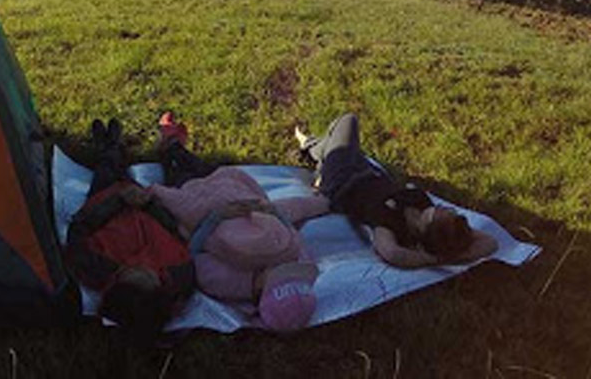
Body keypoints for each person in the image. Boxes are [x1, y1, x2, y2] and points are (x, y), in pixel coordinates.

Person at [148, 111, 329, 333]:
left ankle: (170, 144)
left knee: (179, 174)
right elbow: (288, 212)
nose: (283, 267)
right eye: (290, 270)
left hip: (199, 202)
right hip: (232, 188)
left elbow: (192, 254)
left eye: (280, 275)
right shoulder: (291, 252)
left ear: (259, 292)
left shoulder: (227, 281)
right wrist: (319, 204)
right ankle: (175, 145)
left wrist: (216, 217)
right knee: (197, 166)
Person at [296, 113, 497, 267]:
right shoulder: (423, 204)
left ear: (430, 226)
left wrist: (432, 259)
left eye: (447, 214)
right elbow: (490, 243)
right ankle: (318, 153)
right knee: (343, 147)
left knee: (347, 122)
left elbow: (391, 253)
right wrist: (450, 256)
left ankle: (312, 147)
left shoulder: (390, 223)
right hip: (367, 171)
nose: (449, 209)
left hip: (341, 181)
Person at [65, 118, 194, 342]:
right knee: (149, 179)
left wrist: (117, 201)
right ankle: (121, 148)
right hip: (143, 201)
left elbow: (80, 227)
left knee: (106, 171)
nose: (142, 267)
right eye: (149, 276)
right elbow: (173, 228)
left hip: (105, 200)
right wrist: (148, 205)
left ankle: (109, 146)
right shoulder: (180, 273)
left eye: (132, 272)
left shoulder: (94, 266)